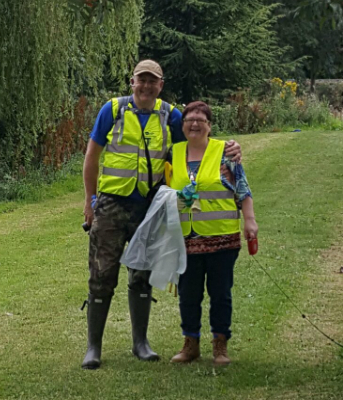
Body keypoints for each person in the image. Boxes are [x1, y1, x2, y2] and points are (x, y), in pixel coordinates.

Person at [81, 60, 242, 369]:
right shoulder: (112, 110)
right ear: (132, 82)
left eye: (152, 81)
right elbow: (91, 157)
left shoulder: (171, 115)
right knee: (101, 275)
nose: (146, 86)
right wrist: (89, 202)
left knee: (142, 275)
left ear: (160, 85)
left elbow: (197, 143)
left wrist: (229, 149)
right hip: (111, 205)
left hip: (150, 207)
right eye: (141, 80)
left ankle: (140, 343)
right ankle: (93, 347)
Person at [169, 101, 258, 366]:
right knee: (188, 294)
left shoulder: (225, 153)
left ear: (209, 126)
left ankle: (220, 345)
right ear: (182, 125)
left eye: (200, 120)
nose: (194, 124)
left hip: (222, 238)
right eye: (189, 120)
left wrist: (250, 221)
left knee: (220, 294)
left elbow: (242, 190)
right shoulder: (172, 153)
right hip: (186, 239)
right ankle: (190, 344)